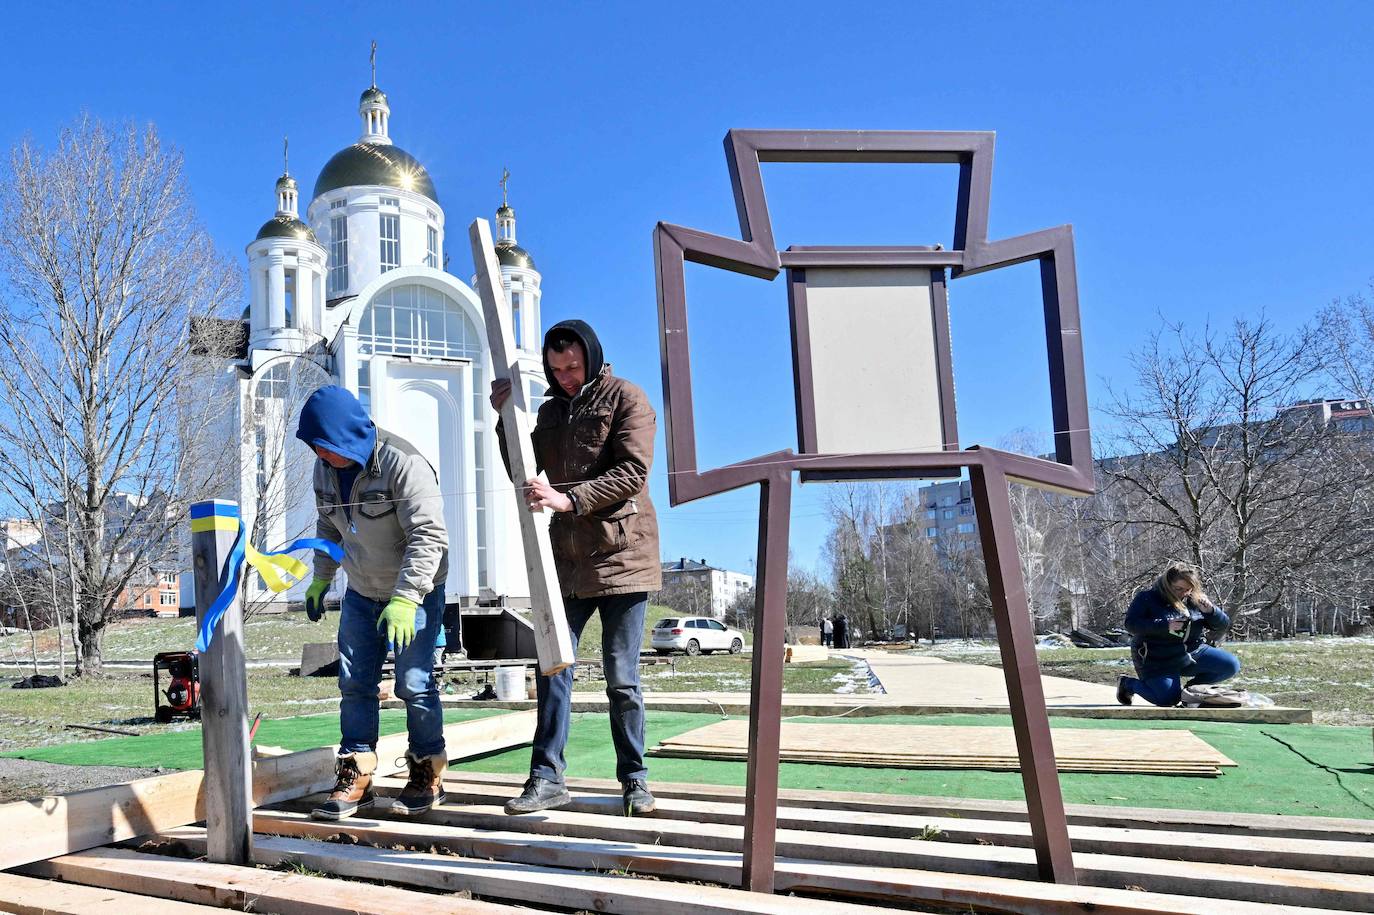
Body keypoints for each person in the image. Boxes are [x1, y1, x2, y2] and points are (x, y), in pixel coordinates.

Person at [490, 319, 661, 817]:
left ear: (591, 356)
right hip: (565, 563)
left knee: (621, 675)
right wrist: (505, 417)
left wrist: (569, 500)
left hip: (623, 557)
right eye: (557, 368)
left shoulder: (627, 397)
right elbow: (522, 470)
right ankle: (546, 779)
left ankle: (635, 780)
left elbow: (633, 472)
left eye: (573, 366)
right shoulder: (549, 414)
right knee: (553, 667)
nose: (566, 376)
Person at [296, 385, 451, 820]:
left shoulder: (404, 463)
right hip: (362, 592)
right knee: (355, 685)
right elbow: (328, 527)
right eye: (316, 449)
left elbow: (429, 536)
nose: (323, 457)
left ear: (349, 435)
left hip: (414, 593)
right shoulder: (324, 471)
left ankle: (427, 770)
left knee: (415, 685)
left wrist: (406, 598)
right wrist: (321, 579)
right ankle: (357, 775)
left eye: (328, 448)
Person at [1118, 563, 1240, 708]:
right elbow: (1131, 624)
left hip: (1192, 651)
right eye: (1178, 589)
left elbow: (1223, 626)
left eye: (1188, 590)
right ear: (1167, 584)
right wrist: (1165, 626)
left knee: (1230, 665)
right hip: (1156, 658)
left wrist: (1212, 612)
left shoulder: (1195, 600)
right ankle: (1128, 684)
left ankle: (1190, 692)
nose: (1183, 593)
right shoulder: (1147, 598)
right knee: (1167, 700)